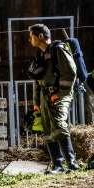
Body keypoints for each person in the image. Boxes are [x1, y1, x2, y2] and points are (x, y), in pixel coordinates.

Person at [28, 24, 79, 173]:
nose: (29, 39)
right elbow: (37, 80)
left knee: (58, 123)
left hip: (59, 95)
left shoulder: (59, 49)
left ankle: (71, 163)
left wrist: (60, 93)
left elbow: (70, 72)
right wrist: (36, 103)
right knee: (47, 128)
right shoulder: (40, 55)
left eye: (31, 36)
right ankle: (57, 165)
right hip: (45, 96)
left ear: (41, 36)